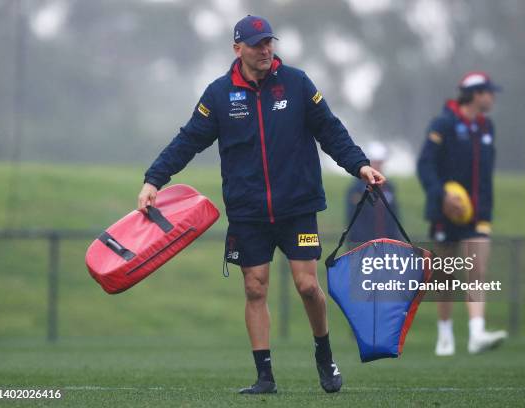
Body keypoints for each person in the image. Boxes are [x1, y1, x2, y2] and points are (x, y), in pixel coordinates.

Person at [137, 15, 385, 394]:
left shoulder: (297, 84)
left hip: (297, 205)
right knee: (255, 288)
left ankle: (324, 356)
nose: (265, 49)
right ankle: (264, 377)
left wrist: (360, 165)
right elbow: (187, 141)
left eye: (269, 41)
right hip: (248, 212)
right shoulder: (219, 95)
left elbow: (331, 131)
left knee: (306, 286)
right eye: (256, 44)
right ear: (238, 49)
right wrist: (153, 179)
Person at [416, 72, 507, 356]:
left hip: (477, 215)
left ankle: (476, 333)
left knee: (477, 269)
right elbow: (425, 165)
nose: (492, 97)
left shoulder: (487, 127)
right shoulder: (443, 123)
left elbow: (487, 177)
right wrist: (443, 195)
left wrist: (485, 212)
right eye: (488, 92)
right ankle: (445, 334)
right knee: (445, 277)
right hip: (446, 212)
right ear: (475, 94)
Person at [346, 141, 401, 245]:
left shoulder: (389, 187)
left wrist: (395, 240)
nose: (378, 166)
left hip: (387, 244)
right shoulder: (356, 188)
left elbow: (395, 217)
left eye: (380, 162)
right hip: (363, 244)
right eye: (375, 162)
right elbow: (354, 220)